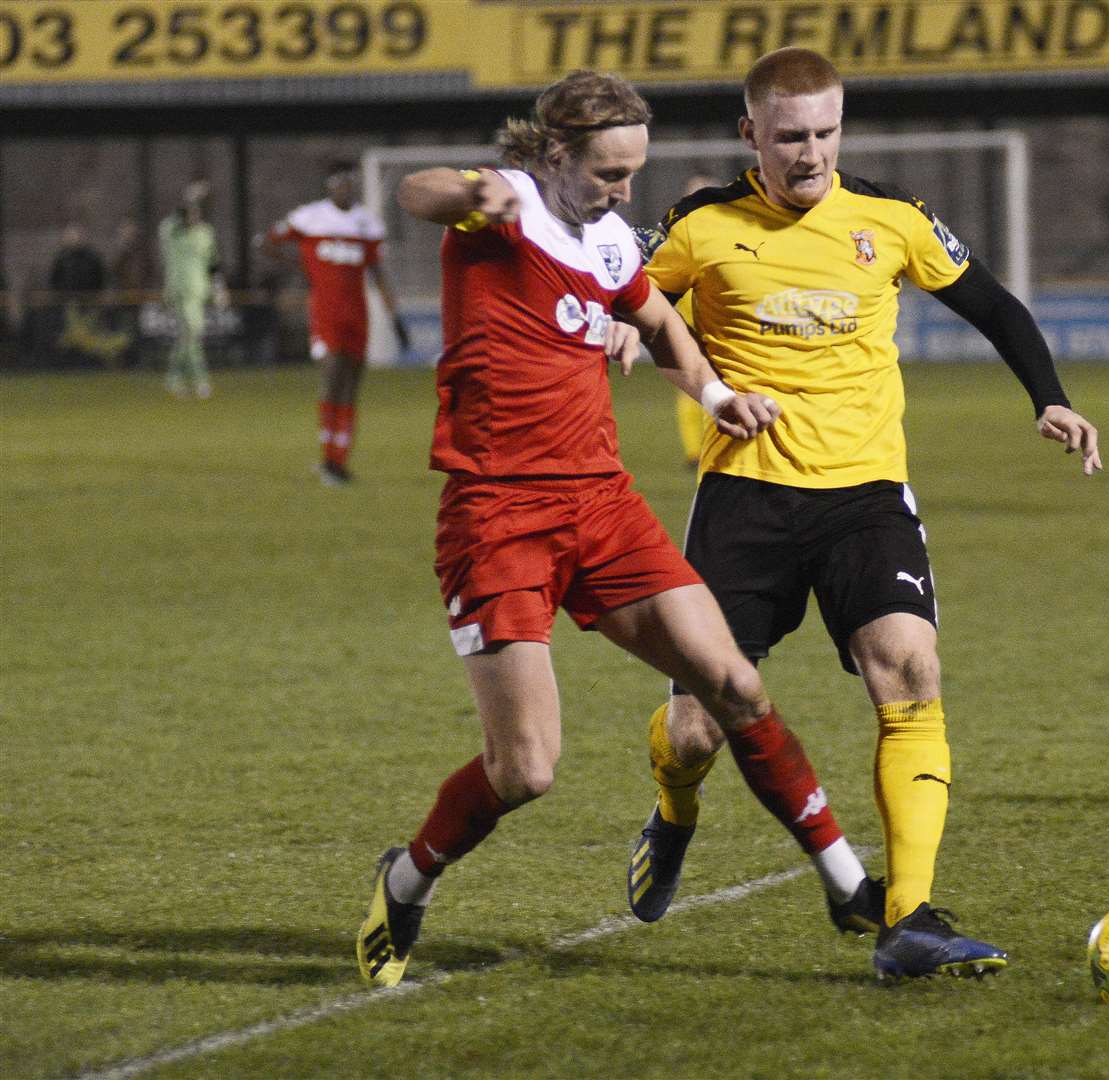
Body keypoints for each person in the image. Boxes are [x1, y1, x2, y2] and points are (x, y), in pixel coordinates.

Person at [357, 69, 888, 990]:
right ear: (557, 155)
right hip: (497, 516)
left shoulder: (607, 243)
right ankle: (405, 880)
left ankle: (846, 883)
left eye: (634, 172)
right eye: (608, 173)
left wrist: (717, 394)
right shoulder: (505, 203)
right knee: (525, 771)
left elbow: (658, 320)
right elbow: (417, 192)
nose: (624, 193)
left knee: (733, 682)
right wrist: (466, 190)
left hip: (601, 505)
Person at [625, 47, 1101, 981]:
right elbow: (639, 306)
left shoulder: (890, 218)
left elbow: (993, 305)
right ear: (749, 134)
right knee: (695, 729)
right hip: (745, 498)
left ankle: (910, 917)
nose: (810, 153)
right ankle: (674, 811)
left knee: (910, 669)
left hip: (866, 495)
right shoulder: (700, 225)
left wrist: (1045, 394)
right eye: (790, 135)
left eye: (826, 132)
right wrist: (635, 334)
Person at [264, 161, 406, 485]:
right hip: (325, 314)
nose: (343, 186)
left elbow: (379, 274)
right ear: (328, 185)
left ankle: (339, 461)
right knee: (331, 378)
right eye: (337, 181)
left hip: (357, 315)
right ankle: (328, 460)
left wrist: (395, 316)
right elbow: (267, 242)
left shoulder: (366, 224)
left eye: (348, 181)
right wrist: (303, 266)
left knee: (351, 386)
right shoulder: (309, 218)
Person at [669, 172, 721, 469]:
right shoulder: (677, 234)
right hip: (689, 325)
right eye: (692, 191)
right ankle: (694, 453)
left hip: (722, 326)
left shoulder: (727, 231)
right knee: (690, 388)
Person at [158, 183, 226, 398]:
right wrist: (189, 197)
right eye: (190, 213)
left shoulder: (206, 233)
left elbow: (213, 264)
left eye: (197, 212)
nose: (194, 217)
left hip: (199, 292)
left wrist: (220, 289)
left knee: (187, 337)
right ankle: (201, 381)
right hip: (179, 292)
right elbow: (170, 222)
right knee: (192, 334)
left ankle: (173, 379)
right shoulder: (173, 233)